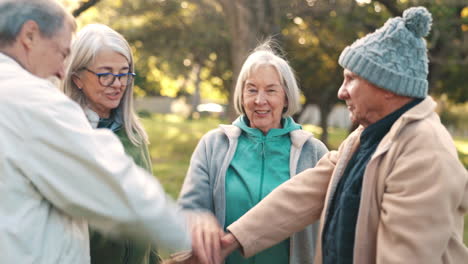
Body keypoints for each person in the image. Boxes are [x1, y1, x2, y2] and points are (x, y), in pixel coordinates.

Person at [221, 6, 468, 264]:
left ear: (387, 86)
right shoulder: (365, 137)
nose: (342, 92)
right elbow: (304, 192)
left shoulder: (425, 154)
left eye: (351, 79)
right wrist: (230, 241)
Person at [0, 1, 220, 263]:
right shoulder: (31, 100)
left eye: (124, 74)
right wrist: (187, 230)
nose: (62, 71)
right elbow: (112, 186)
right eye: (61, 53)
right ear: (29, 35)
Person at [178, 42, 328, 264]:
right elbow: (189, 208)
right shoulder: (213, 146)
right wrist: (198, 221)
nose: (260, 100)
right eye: (252, 89)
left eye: (270, 90)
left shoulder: (314, 153)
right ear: (241, 94)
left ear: (286, 97)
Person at [62, 24, 160, 264]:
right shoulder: (65, 137)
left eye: (124, 73)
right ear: (77, 79)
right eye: (106, 74)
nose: (118, 84)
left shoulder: (134, 135)